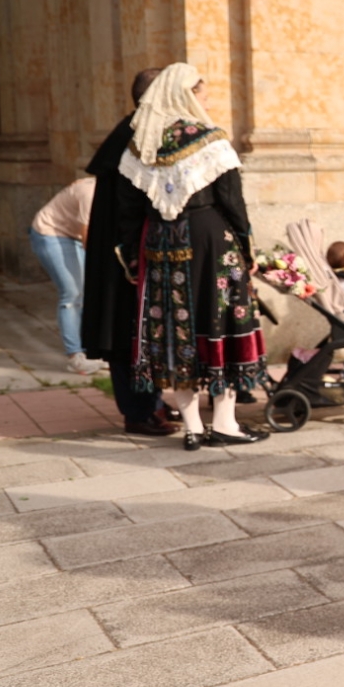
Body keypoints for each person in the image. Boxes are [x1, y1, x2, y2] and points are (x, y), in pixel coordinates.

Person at [117, 63, 269, 450]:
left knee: (172, 331)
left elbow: (128, 210)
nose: (208, 102)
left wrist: (133, 258)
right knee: (220, 321)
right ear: (186, 96)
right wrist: (246, 246)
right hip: (210, 241)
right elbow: (232, 200)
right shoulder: (209, 139)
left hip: (160, 245)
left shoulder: (142, 142)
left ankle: (192, 427)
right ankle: (225, 424)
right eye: (203, 95)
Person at [82, 68, 176, 436]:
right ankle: (138, 411)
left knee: (137, 328)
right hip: (124, 254)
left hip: (125, 248)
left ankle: (150, 402)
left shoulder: (135, 129)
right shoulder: (136, 135)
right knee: (126, 331)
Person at [28, 177, 101, 375]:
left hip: (74, 233)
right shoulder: (90, 193)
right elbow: (88, 235)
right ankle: (75, 356)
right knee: (72, 293)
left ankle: (92, 350)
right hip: (51, 232)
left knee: (88, 293)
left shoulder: (114, 193)